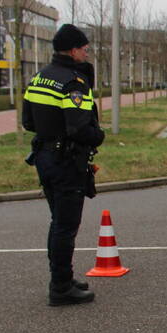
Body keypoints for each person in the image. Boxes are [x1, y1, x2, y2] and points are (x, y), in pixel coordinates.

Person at [22, 23, 105, 306]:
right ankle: (60, 287)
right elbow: (79, 128)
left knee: (57, 222)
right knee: (65, 226)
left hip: (45, 157)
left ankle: (64, 278)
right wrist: (99, 136)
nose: (86, 53)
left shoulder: (39, 77)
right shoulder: (74, 82)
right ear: (72, 50)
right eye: (84, 49)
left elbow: (27, 122)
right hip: (66, 161)